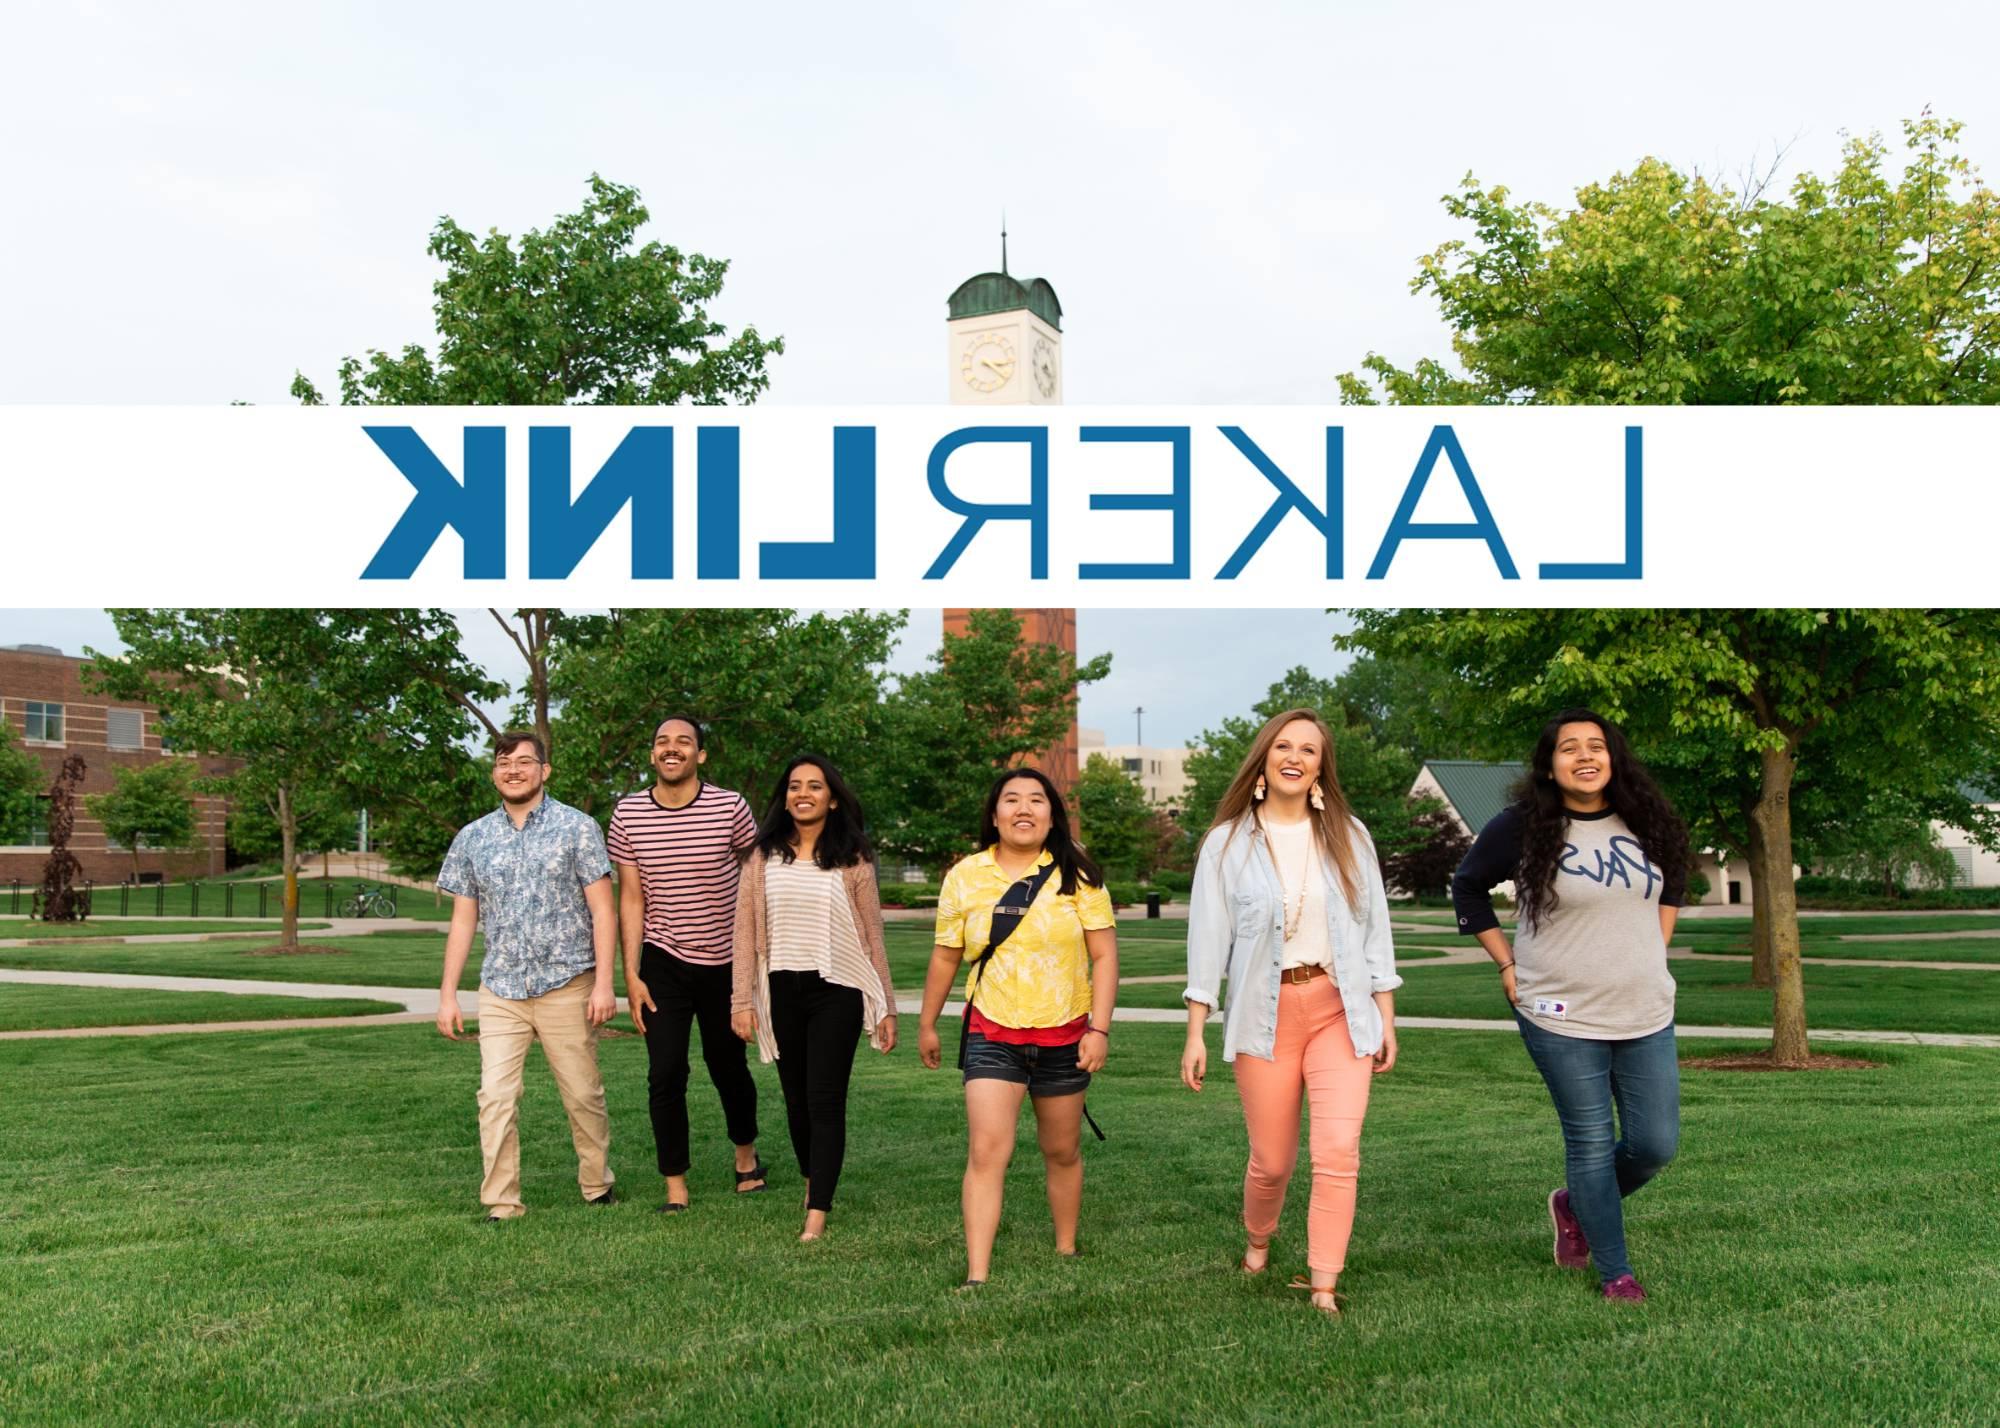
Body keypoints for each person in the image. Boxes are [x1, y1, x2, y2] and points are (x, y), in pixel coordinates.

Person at [1451, 708, 1687, 1302]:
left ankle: (1572, 1203)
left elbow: (1673, 884)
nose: (1585, 757)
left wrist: (1651, 955)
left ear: (1614, 757)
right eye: (1569, 748)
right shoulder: (1521, 826)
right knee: (1587, 1139)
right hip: (1557, 1013)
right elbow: (1468, 886)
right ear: (1550, 765)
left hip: (1645, 1008)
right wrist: (1506, 963)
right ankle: (1616, 1274)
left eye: (1596, 746)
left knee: (1655, 1144)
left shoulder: (1648, 820)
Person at [1180, 708, 1400, 1318]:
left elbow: (1375, 930)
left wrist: (1387, 1015)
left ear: (1321, 767)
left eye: (1309, 749)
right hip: (1262, 1015)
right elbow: (1207, 942)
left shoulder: (1351, 837)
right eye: (1284, 746)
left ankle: (1324, 1281)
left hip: (1338, 1010)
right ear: (1264, 759)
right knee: (1273, 1161)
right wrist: (1197, 1029)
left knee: (1337, 1152)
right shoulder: (1226, 844)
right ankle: (1259, 1237)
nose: (1295, 757)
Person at [917, 767, 1118, 1288]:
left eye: (1036, 800)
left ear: (1053, 815)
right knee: (988, 1151)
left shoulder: (1080, 874)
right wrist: (928, 1022)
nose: (1023, 809)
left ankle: (1066, 1247)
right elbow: (945, 956)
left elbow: (1105, 955)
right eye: (1012, 800)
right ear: (994, 814)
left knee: (1062, 1150)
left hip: (1065, 1036)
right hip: (992, 1032)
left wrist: (1099, 1029)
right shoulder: (965, 876)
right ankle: (977, 1273)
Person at [435, 731, 619, 1222]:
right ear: (494, 772)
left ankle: (597, 1183)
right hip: (501, 989)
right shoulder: (472, 837)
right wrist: (448, 994)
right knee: (495, 1095)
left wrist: (605, 983)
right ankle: (502, 1201)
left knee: (582, 1093)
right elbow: (462, 920)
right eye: (503, 763)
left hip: (568, 983)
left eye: (523, 761)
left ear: (545, 770)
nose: (512, 770)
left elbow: (604, 910)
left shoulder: (578, 828)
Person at [729, 755, 899, 1242]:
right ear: (785, 796)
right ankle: (812, 1179)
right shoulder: (762, 857)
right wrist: (741, 1000)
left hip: (838, 989)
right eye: (795, 786)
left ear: (832, 797)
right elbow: (744, 934)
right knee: (796, 1101)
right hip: (782, 988)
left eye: (815, 786)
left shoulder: (853, 859)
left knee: (825, 1100)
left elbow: (872, 935)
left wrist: (885, 1005)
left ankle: (817, 1213)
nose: (804, 793)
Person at [609, 715, 765, 1212]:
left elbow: (756, 879)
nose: (671, 748)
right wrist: (631, 974)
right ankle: (675, 1185)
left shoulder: (729, 807)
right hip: (663, 962)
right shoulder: (628, 813)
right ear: (652, 754)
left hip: (725, 961)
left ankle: (746, 1157)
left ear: (700, 755)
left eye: (683, 742)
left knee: (728, 1068)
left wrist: (755, 966)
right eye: (662, 741)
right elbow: (631, 897)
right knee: (665, 1072)